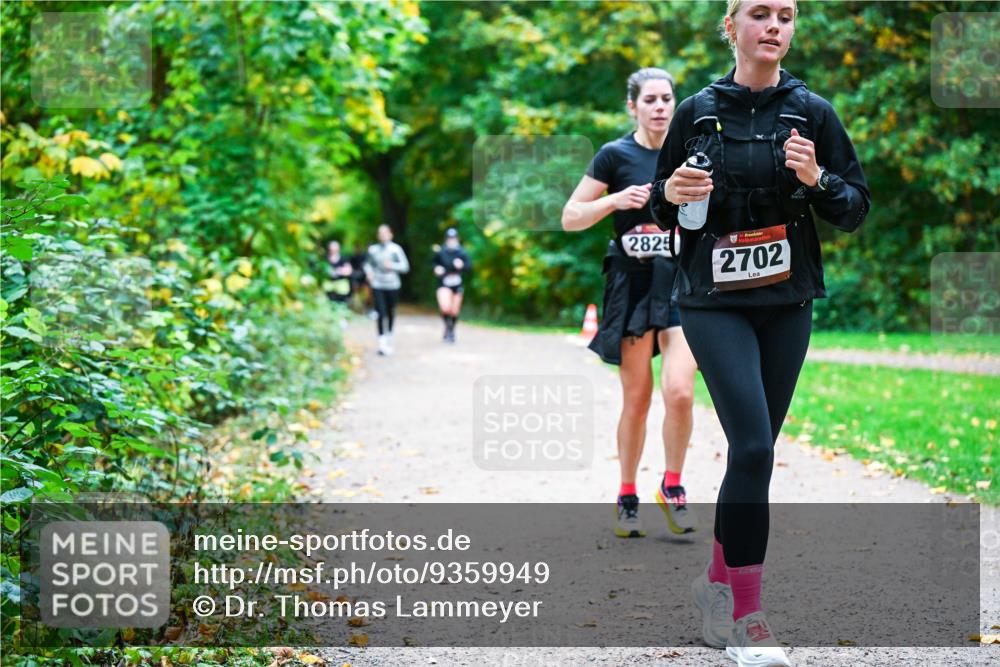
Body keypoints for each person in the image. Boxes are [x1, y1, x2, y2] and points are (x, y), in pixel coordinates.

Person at [648, 1, 871, 664]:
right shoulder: (695, 111)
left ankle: (717, 583)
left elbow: (855, 207)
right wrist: (677, 190)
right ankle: (747, 619)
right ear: (732, 27)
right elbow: (663, 205)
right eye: (760, 13)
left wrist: (817, 178)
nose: (775, 25)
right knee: (751, 444)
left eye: (787, 15)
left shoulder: (814, 113)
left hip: (787, 300)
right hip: (712, 299)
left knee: (755, 454)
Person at [562, 67, 700, 540]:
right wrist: (615, 200)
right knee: (637, 399)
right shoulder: (614, 155)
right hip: (633, 286)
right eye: (650, 100)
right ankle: (626, 496)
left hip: (681, 285)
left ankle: (673, 486)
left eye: (667, 99)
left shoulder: (691, 154)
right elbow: (570, 217)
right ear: (633, 107)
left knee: (680, 391)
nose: (660, 107)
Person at [363, 225, 410, 356]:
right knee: (380, 312)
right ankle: (382, 342)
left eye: (385, 233)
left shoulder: (396, 249)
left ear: (390, 234)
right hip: (377, 284)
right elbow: (367, 264)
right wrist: (369, 273)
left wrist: (392, 266)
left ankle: (389, 335)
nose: (382, 235)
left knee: (390, 311)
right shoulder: (373, 250)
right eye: (380, 233)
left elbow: (405, 267)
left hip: (392, 285)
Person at [433, 228, 471, 343]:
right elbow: (434, 263)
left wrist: (462, 265)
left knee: (454, 310)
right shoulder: (441, 252)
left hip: (457, 284)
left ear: (457, 239)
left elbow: (469, 267)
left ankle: (451, 330)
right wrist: (436, 269)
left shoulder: (462, 252)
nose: (451, 241)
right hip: (444, 283)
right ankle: (447, 327)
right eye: (449, 239)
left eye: (453, 238)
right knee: (445, 307)